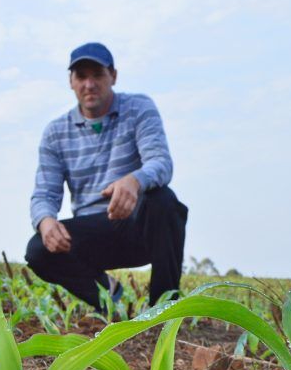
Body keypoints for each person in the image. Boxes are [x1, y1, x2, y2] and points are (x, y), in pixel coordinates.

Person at [25, 42, 188, 311]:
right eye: (81, 77)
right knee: (38, 249)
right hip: (93, 232)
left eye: (97, 75)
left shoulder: (138, 108)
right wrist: (45, 222)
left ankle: (164, 311)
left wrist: (134, 181)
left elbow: (160, 162)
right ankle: (109, 298)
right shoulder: (55, 133)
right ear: (71, 82)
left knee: (164, 201)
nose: (89, 84)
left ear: (113, 76)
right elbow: (44, 194)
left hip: (138, 224)